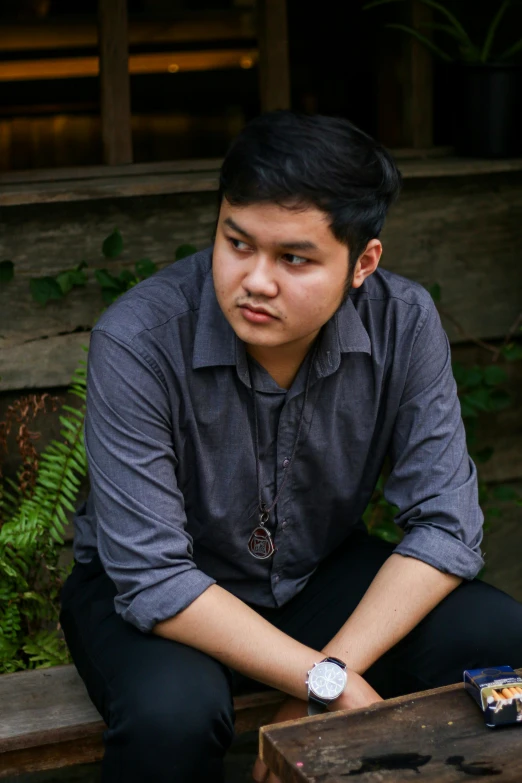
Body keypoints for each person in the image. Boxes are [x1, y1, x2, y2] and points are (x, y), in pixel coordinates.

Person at [60, 111, 522, 783]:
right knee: (173, 715)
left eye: (294, 258)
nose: (255, 280)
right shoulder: (138, 339)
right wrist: (324, 681)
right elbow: (153, 573)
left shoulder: (404, 321)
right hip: (151, 590)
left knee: (499, 633)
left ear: (363, 261)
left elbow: (446, 525)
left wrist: (322, 677)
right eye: (237, 241)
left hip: (313, 572)